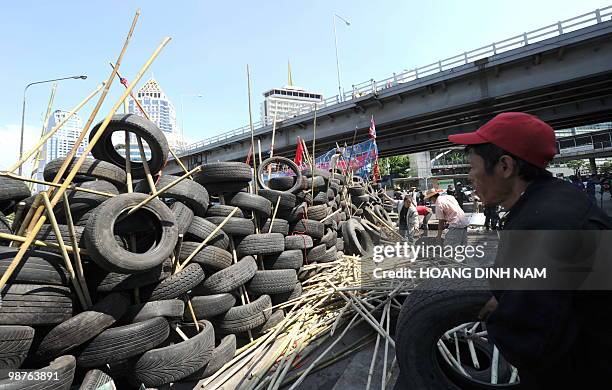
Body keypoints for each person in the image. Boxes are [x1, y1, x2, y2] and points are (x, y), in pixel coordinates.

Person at [447, 111, 612, 389]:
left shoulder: (540, 227)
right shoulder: (559, 198)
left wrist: (506, 313)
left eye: (472, 166)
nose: (469, 176)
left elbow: (528, 340)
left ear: (505, 166)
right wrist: (508, 296)